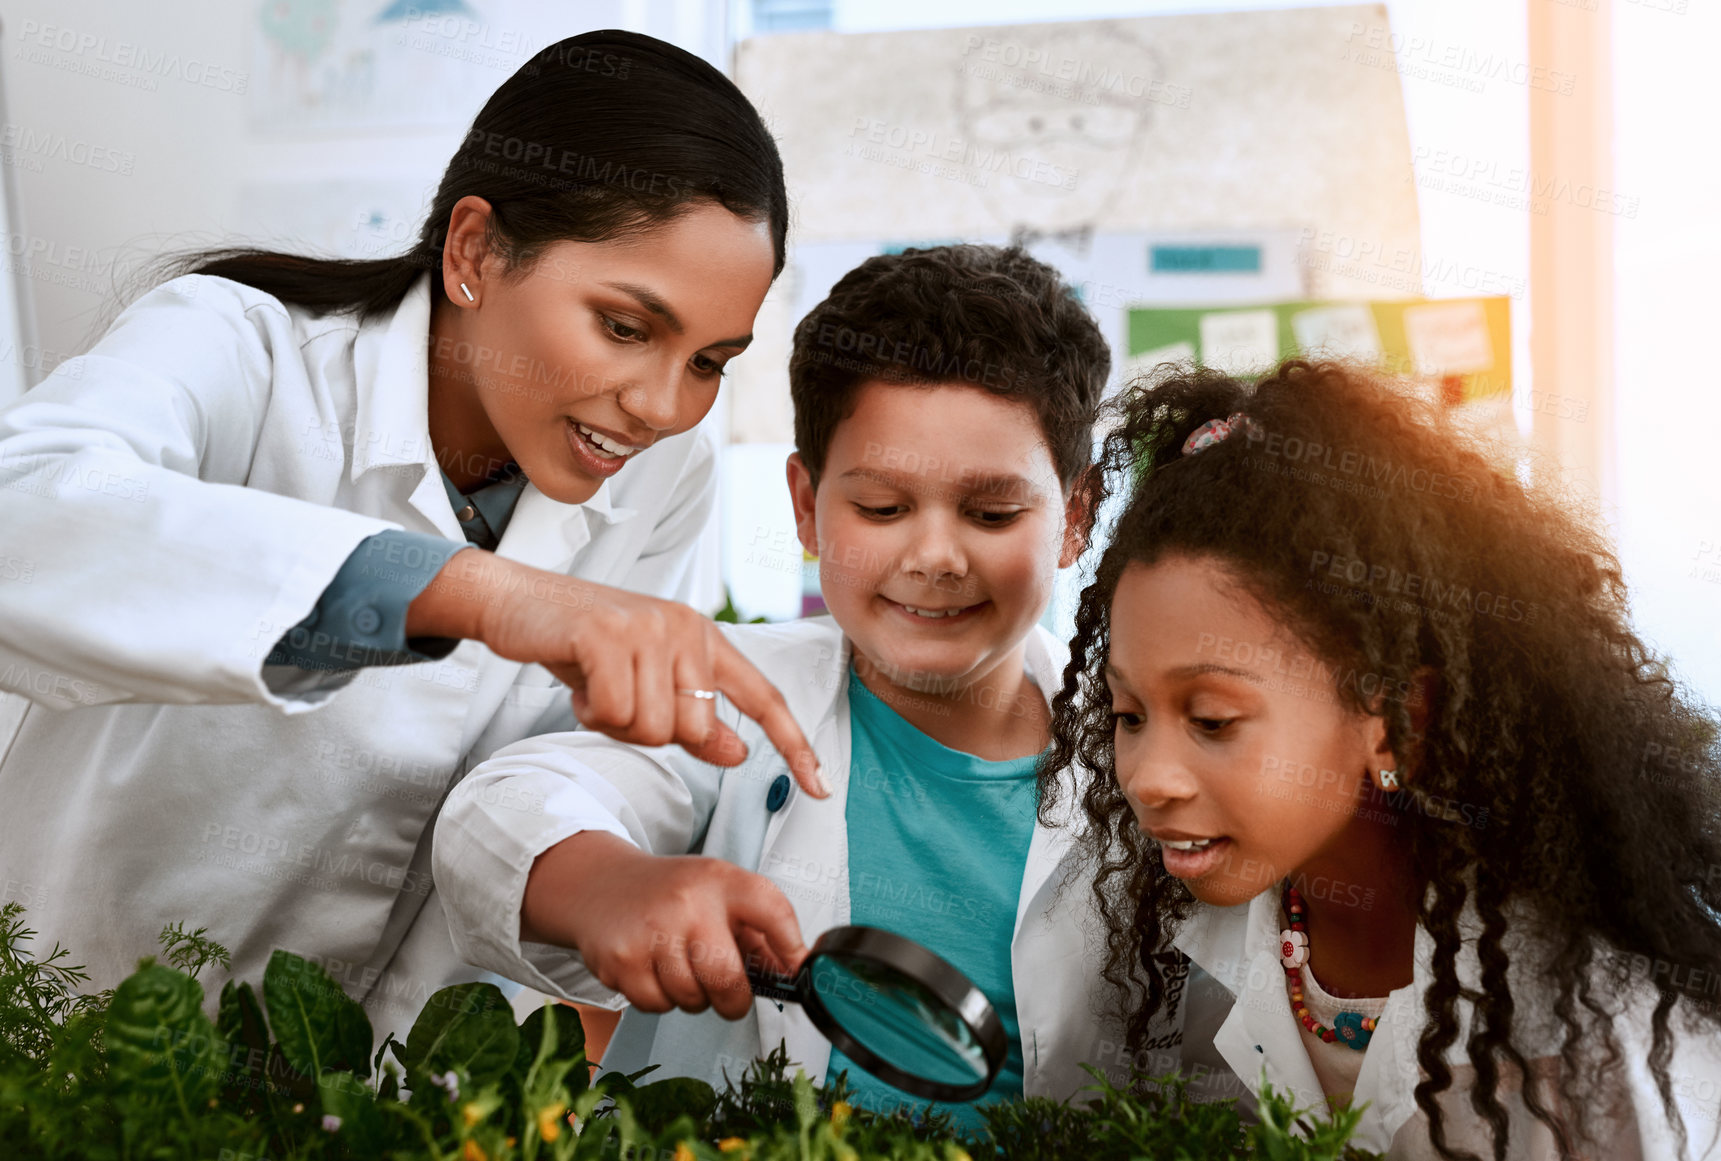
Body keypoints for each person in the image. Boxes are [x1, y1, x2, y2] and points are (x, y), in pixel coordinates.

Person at [0, 29, 825, 1045]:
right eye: (624, 326)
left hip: (379, 1089)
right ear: (476, 252)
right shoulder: (243, 346)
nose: (660, 404)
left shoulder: (663, 477)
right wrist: (481, 594)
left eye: (709, 361)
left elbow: (545, 781)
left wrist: (619, 878)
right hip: (69, 1043)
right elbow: (26, 513)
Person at [433, 245, 1162, 1127]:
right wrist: (610, 886)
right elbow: (501, 813)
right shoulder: (733, 694)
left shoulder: (1146, 749)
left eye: (991, 512)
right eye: (882, 508)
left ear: (1074, 517)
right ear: (806, 506)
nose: (933, 557)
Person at [1040, 359, 1721, 1158]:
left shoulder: (1591, 1032)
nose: (1147, 777)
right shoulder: (1145, 953)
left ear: (1396, 716)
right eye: (1127, 713)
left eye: (1213, 719)